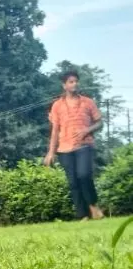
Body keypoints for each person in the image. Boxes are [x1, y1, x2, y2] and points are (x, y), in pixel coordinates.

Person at [44, 68, 104, 220]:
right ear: (64, 85)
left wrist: (86, 130)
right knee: (73, 182)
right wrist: (51, 153)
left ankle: (93, 206)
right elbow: (55, 130)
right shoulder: (57, 105)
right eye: (71, 82)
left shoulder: (88, 102)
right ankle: (82, 215)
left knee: (84, 175)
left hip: (84, 145)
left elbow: (99, 123)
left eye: (76, 81)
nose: (74, 84)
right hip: (64, 148)